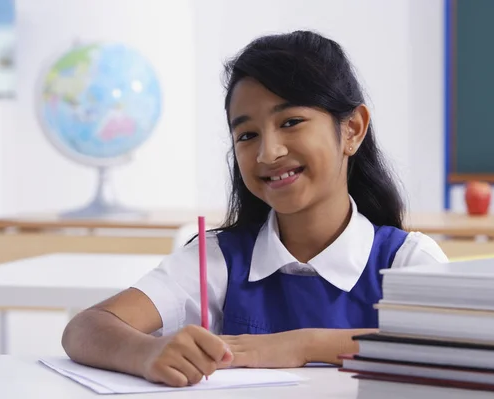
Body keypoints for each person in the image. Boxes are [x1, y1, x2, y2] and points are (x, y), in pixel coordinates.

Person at [61, 30, 448, 387]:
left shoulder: (407, 262)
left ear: (352, 130)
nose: (268, 152)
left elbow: (452, 351)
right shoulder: (218, 260)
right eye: (247, 135)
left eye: (292, 121)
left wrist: (304, 346)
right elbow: (85, 328)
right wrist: (147, 352)